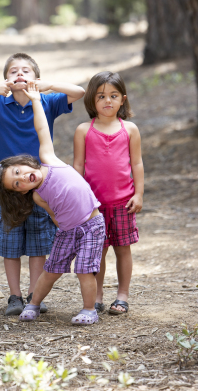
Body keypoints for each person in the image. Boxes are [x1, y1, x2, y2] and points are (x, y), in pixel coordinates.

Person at [0, 53, 85, 316]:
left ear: (35, 77)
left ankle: (33, 294)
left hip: (40, 185)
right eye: (13, 71)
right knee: (10, 244)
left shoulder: (47, 101)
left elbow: (79, 92)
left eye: (26, 71)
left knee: (39, 244)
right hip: (9, 189)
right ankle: (14, 297)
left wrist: (47, 85)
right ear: (6, 79)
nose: (20, 74)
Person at [0, 82, 105, 325]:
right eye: (16, 184)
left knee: (85, 270)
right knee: (51, 270)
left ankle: (89, 310)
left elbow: (42, 129)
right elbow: (54, 214)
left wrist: (35, 100)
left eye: (18, 172)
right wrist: (63, 230)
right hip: (67, 231)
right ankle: (33, 304)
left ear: (25, 162)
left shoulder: (48, 159)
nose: (22, 178)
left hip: (92, 224)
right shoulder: (38, 196)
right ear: (20, 192)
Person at [73, 71, 144, 315]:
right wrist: (78, 199)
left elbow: (137, 164)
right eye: (101, 96)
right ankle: (98, 294)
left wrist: (139, 194)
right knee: (97, 251)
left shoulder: (130, 129)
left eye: (113, 96)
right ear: (92, 100)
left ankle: (122, 295)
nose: (107, 101)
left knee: (123, 249)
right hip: (94, 205)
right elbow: (78, 167)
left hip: (124, 202)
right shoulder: (84, 130)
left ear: (122, 99)